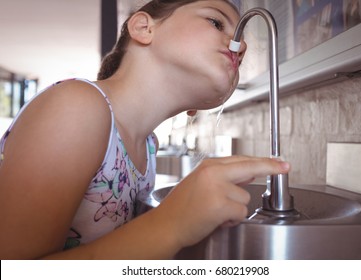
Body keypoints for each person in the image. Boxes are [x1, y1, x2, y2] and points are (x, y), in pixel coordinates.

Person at [0, 0, 290, 260]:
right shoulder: (76, 105)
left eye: (242, 51)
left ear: (196, 108)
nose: (238, 46)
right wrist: (170, 224)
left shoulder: (147, 146)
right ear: (143, 27)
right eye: (215, 22)